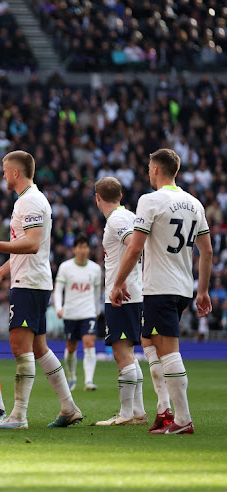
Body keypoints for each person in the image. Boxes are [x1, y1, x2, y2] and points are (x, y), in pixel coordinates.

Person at [0, 150, 83, 429]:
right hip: (31, 280)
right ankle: (69, 407)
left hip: (30, 283)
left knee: (20, 346)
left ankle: (18, 416)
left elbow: (32, 244)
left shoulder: (30, 202)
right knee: (38, 346)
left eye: (5, 171)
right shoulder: (27, 200)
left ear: (16, 173)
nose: (3, 175)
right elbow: (26, 247)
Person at [110, 149, 212, 435]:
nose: (147, 171)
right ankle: (164, 411)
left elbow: (136, 246)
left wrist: (118, 283)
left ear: (155, 169)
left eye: (148, 167)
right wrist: (202, 290)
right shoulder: (195, 203)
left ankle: (183, 419)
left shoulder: (150, 201)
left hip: (160, 287)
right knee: (148, 341)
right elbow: (207, 251)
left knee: (168, 350)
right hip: (182, 286)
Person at [93, 177, 149, 426]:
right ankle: (137, 412)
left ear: (97, 198)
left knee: (121, 352)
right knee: (128, 353)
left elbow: (132, 245)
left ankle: (126, 414)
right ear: (120, 195)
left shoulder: (116, 219)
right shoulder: (129, 216)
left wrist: (120, 281)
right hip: (131, 293)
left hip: (121, 295)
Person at [53, 233, 102, 391]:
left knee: (89, 343)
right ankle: (72, 376)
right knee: (71, 347)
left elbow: (96, 292)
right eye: (80, 246)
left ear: (89, 249)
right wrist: (59, 307)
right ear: (74, 249)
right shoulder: (65, 267)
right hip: (71, 313)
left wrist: (96, 309)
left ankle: (88, 380)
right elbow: (58, 289)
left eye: (85, 246)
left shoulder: (95, 269)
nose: (83, 250)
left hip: (88, 312)